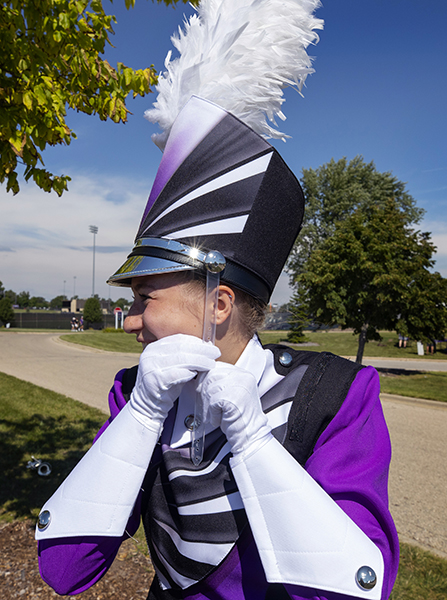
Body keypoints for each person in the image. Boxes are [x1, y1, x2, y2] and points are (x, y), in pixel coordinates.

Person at [36, 1, 399, 598]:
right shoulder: (137, 392)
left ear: (219, 303)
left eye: (146, 296)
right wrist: (144, 417)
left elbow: (362, 585)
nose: (131, 321)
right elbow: (66, 569)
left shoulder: (339, 397)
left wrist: (255, 443)